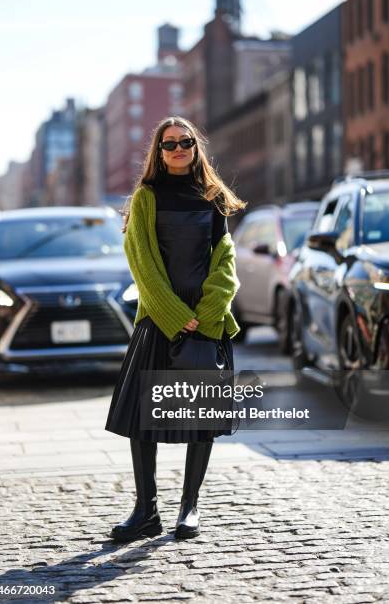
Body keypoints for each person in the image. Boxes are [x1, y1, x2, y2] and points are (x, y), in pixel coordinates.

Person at [105, 116, 247, 542]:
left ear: (195, 147)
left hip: (206, 320)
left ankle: (190, 509)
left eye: (185, 141)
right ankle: (146, 512)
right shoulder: (146, 197)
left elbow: (226, 262)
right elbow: (141, 263)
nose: (178, 148)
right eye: (169, 144)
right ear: (159, 152)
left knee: (200, 420)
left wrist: (205, 314)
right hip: (158, 318)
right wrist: (171, 314)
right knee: (141, 421)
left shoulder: (212, 196)